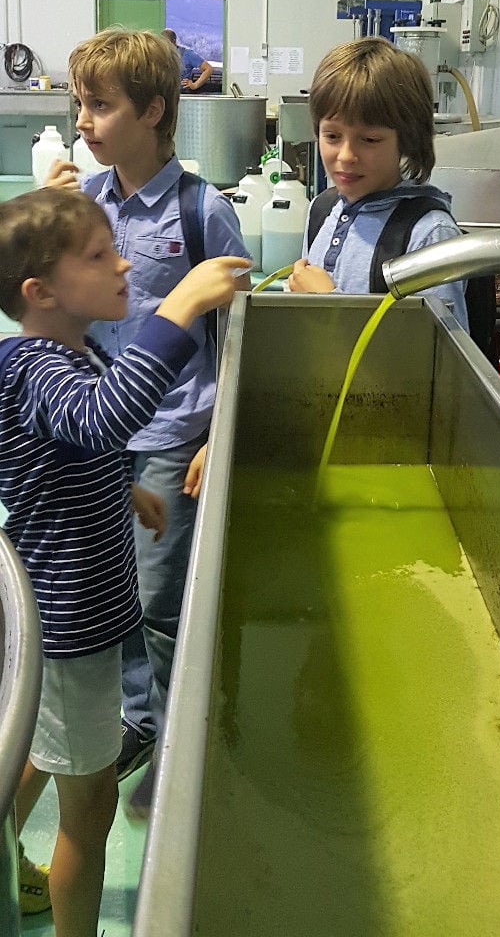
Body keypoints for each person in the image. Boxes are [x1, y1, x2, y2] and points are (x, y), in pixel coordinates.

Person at [0, 187, 249, 936]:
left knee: (41, 747)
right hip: (69, 623)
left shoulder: (70, 349)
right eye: (99, 257)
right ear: (40, 293)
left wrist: (126, 489)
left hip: (71, 615)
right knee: (91, 810)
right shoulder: (37, 367)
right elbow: (103, 414)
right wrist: (177, 309)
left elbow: (79, 447)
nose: (123, 266)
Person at [45, 27, 251, 815]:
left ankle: (173, 744)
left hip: (171, 436)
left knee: (161, 605)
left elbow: (233, 342)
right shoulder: (83, 205)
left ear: (154, 109)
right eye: (80, 104)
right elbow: (52, 313)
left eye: (100, 106)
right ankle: (137, 718)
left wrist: (214, 439)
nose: (84, 121)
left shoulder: (205, 212)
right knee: (112, 596)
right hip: (98, 436)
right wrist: (48, 217)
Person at [287, 35, 468, 329]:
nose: (346, 156)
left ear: (407, 139)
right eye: (332, 136)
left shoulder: (428, 234)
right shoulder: (322, 210)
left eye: (369, 139)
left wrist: (331, 302)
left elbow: (441, 358)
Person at [161, 27, 213, 92]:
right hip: (165, 94)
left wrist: (195, 85)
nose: (165, 47)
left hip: (182, 95)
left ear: (174, 41)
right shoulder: (160, 55)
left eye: (167, 44)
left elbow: (209, 69)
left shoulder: (187, 54)